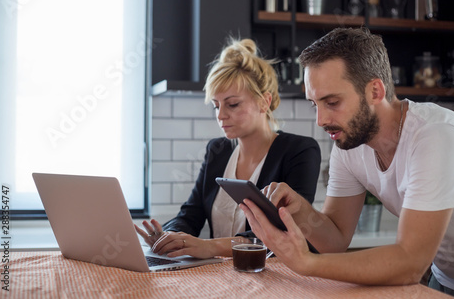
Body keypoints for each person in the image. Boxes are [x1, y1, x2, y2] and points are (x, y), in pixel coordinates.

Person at [240, 28, 454, 299]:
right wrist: (301, 210)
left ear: (375, 91)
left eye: (332, 102)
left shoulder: (437, 137)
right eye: (315, 105)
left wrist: (307, 263)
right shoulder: (350, 143)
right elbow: (336, 240)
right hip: (448, 283)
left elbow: (410, 262)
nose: (321, 120)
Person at [135, 38, 321, 259]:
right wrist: (169, 235)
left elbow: (282, 233)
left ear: (264, 101)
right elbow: (191, 214)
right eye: (216, 105)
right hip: (224, 278)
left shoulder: (299, 151)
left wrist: (210, 247)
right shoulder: (218, 150)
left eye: (232, 104)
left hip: (277, 277)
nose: (221, 115)